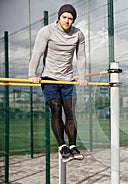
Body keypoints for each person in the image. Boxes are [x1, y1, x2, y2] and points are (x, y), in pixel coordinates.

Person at [28, 4, 87, 162]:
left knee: (69, 113)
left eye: (70, 19)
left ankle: (73, 146)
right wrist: (32, 74)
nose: (67, 21)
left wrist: (81, 77)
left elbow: (81, 57)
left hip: (67, 79)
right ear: (59, 17)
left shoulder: (78, 35)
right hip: (49, 78)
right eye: (64, 17)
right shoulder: (46, 31)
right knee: (56, 108)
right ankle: (62, 147)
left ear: (73, 20)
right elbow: (37, 53)